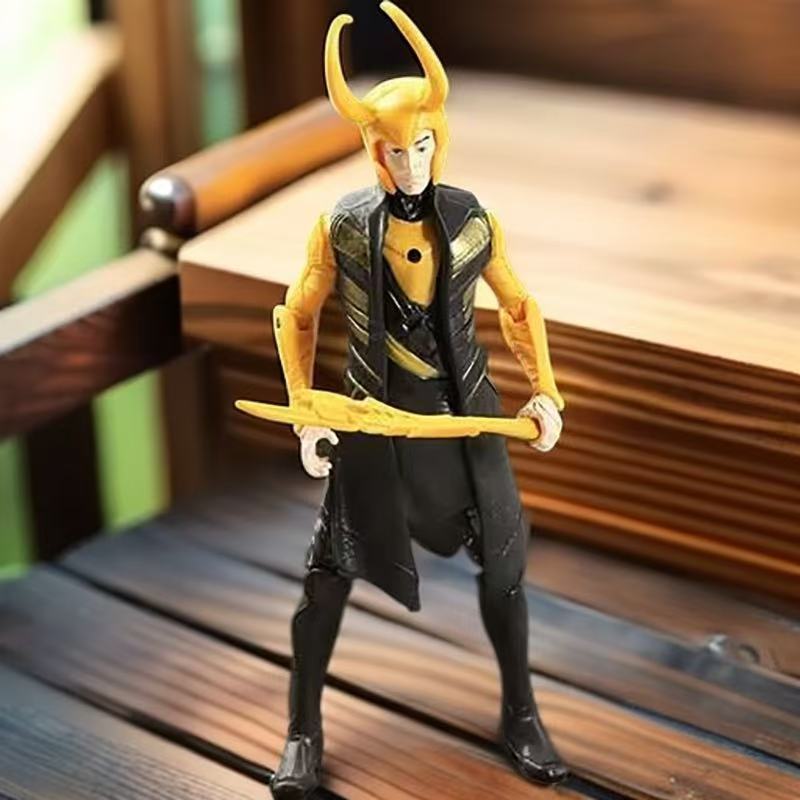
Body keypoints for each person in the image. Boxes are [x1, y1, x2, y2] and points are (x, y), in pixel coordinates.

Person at [270, 4, 567, 797]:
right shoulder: (342, 225)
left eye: (422, 146)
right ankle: (301, 730)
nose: (410, 165)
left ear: (441, 139)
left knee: (505, 569)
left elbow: (518, 306)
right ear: (375, 151)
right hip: (374, 426)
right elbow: (297, 314)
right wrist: (306, 413)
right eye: (395, 151)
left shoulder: (472, 220)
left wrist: (546, 391)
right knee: (326, 577)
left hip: (464, 423)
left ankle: (522, 713)